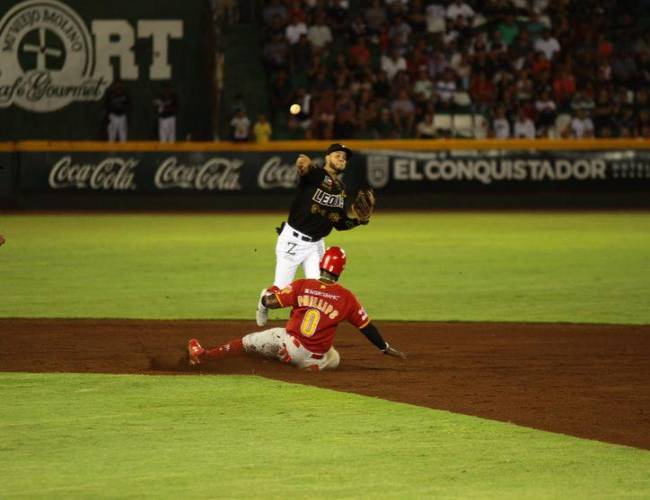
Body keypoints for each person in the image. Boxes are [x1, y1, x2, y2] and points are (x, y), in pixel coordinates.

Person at [188, 247, 406, 371]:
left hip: (291, 346)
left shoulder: (303, 285)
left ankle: (203, 357)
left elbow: (271, 302)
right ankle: (310, 365)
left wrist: (265, 298)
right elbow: (367, 328)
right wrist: (384, 347)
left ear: (322, 264)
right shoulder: (347, 297)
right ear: (340, 270)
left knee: (248, 342)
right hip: (316, 357)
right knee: (335, 357)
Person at [255, 143, 373, 327]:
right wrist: (304, 163)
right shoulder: (316, 175)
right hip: (293, 240)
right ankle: (264, 301)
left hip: (316, 245)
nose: (342, 158)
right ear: (327, 157)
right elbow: (303, 165)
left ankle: (300, 328)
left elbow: (340, 224)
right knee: (279, 293)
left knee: (318, 291)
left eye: (345, 157)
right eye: (338, 154)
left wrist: (359, 221)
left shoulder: (341, 190)